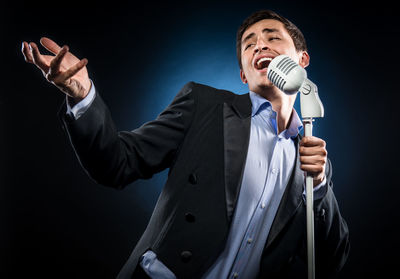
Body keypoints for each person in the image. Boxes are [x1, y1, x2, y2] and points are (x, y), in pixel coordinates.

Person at [21, 9, 349, 279]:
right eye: (249, 44)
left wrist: (319, 188)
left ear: (302, 60)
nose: (259, 46)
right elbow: (117, 164)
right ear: (243, 76)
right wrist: (83, 98)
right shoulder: (205, 105)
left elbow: (328, 262)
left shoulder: (313, 163)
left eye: (272, 37)